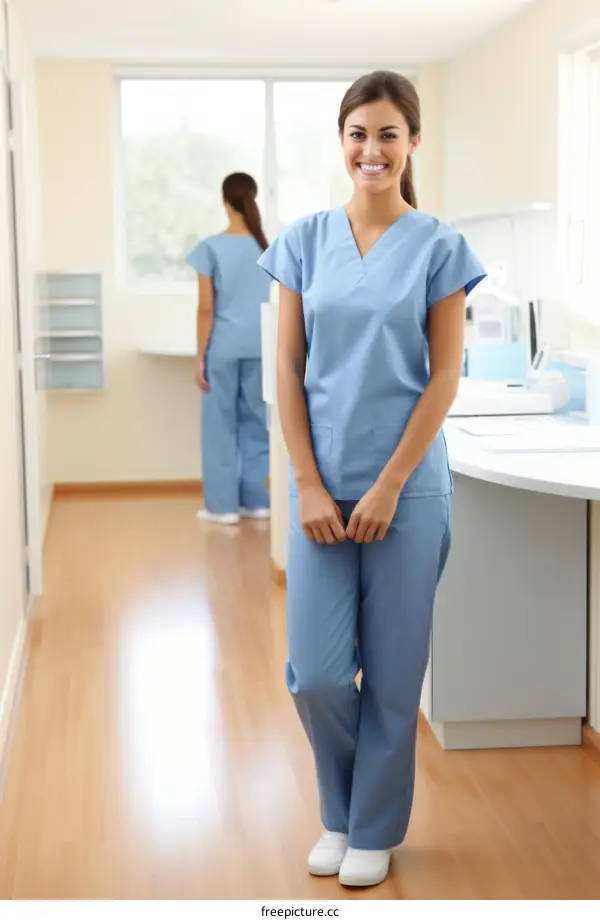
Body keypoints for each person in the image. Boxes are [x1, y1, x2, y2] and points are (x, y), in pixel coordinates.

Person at [257, 71, 485, 888]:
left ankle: (372, 829)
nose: (372, 150)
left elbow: (445, 377)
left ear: (412, 144)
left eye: (389, 134)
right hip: (321, 486)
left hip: (408, 489)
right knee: (317, 675)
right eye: (359, 133)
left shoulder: (439, 247)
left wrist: (390, 485)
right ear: (342, 140)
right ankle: (342, 810)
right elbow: (286, 366)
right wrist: (309, 484)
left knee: (392, 671)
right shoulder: (303, 241)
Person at [186, 172, 271, 525]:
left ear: (225, 201)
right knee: (257, 423)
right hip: (261, 347)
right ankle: (256, 502)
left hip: (223, 347)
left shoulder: (210, 248)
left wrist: (200, 355)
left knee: (220, 425)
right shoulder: (268, 248)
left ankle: (222, 508)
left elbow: (207, 308)